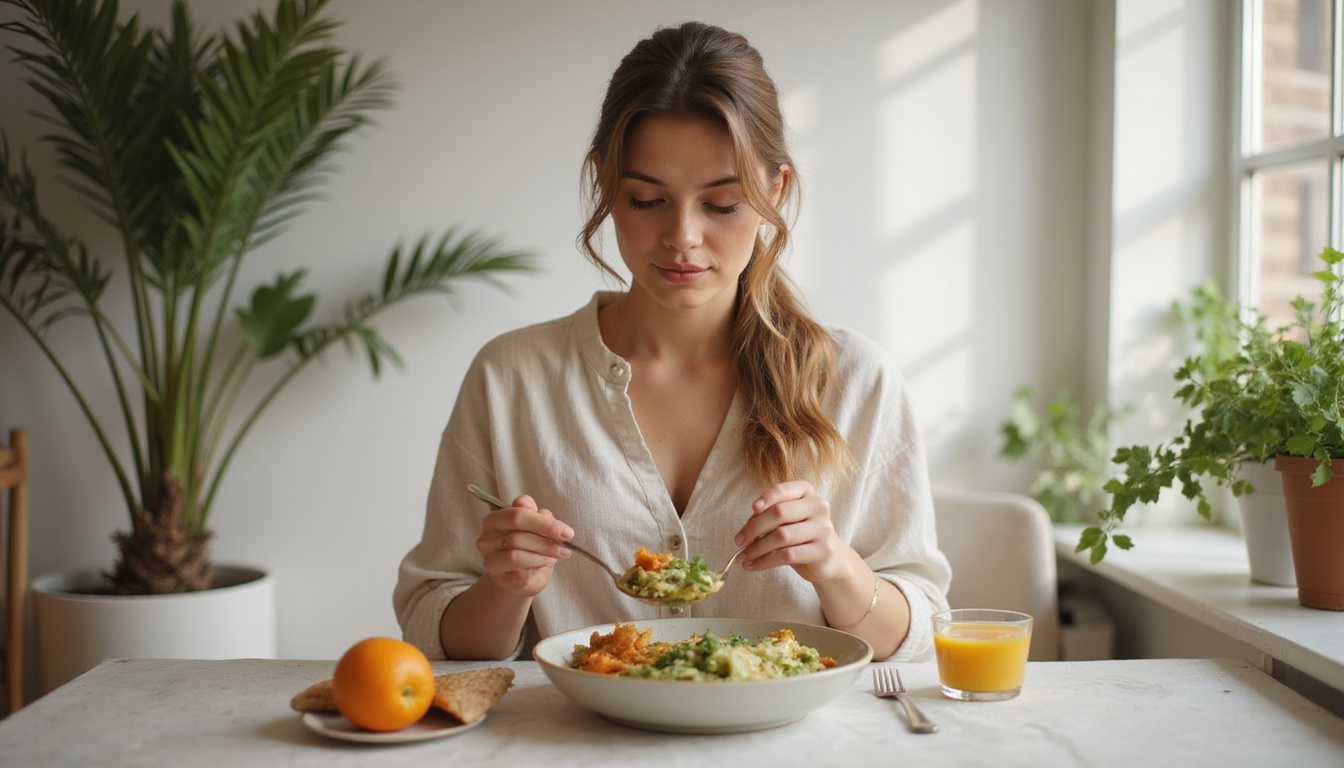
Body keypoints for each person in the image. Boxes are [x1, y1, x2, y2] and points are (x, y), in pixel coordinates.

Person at [394, 21, 950, 662]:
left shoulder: (857, 380)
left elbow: (921, 633)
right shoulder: (511, 377)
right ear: (606, 184)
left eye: (721, 204)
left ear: (776, 192)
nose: (682, 237)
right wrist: (504, 586)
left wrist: (835, 566)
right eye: (647, 199)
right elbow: (433, 628)